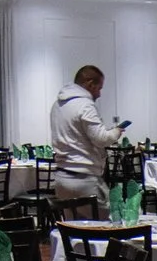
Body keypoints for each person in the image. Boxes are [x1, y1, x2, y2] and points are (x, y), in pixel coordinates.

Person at [50, 65, 128, 211]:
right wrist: (116, 131)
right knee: (109, 221)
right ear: (90, 84)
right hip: (84, 179)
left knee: (71, 224)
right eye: (99, 88)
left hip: (62, 178)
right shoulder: (85, 105)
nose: (99, 94)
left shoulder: (57, 105)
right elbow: (101, 139)